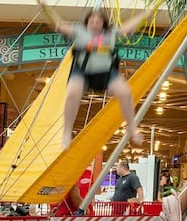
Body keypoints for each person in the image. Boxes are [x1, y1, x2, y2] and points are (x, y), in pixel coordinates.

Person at [56, 9, 148, 146]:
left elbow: (126, 27)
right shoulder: (79, 31)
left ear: (103, 24)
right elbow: (62, 26)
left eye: (98, 22)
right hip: (83, 71)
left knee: (125, 92)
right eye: (91, 21)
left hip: (106, 72)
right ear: (87, 22)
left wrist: (145, 14)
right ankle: (66, 131)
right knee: (72, 93)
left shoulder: (110, 34)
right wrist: (56, 22)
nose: (94, 24)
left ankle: (132, 127)